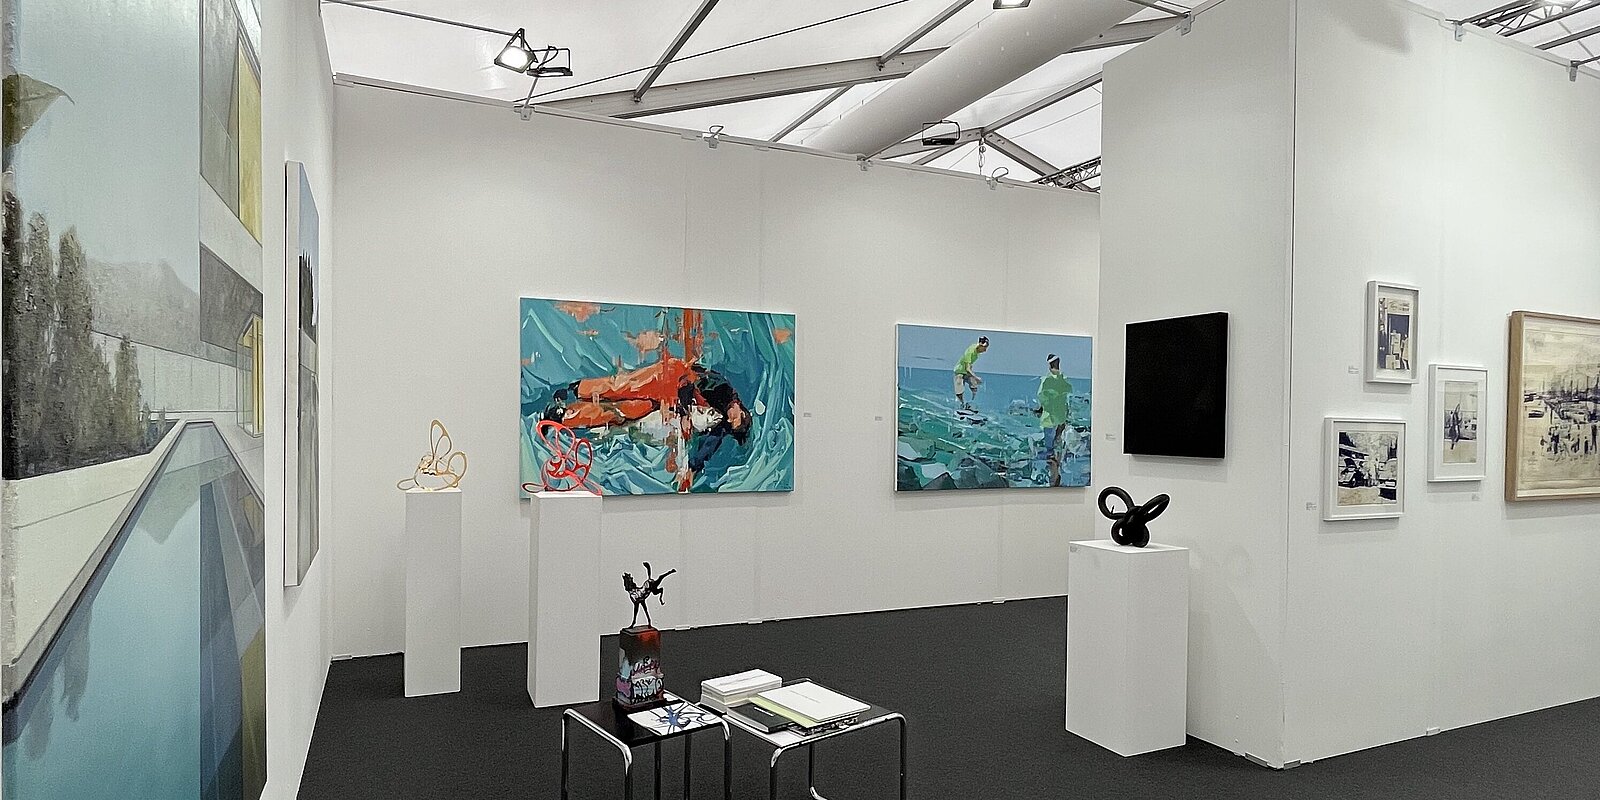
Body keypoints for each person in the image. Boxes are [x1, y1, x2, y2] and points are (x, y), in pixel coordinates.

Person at [1037, 354, 1073, 486]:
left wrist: (1041, 407)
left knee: (1050, 449)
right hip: (1061, 416)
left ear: (1049, 364)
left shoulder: (1046, 379)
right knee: (1058, 445)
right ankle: (1057, 476)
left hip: (1049, 417)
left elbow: (1041, 396)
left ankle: (1053, 479)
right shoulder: (1064, 379)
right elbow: (1069, 393)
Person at [954, 336, 989, 410]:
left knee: (974, 385)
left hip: (966, 372)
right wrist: (976, 378)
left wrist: (974, 379)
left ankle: (971, 403)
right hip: (959, 371)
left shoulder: (977, 353)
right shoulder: (970, 351)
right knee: (959, 389)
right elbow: (967, 368)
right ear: (980, 344)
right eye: (984, 347)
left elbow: (970, 365)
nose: (985, 350)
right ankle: (962, 404)